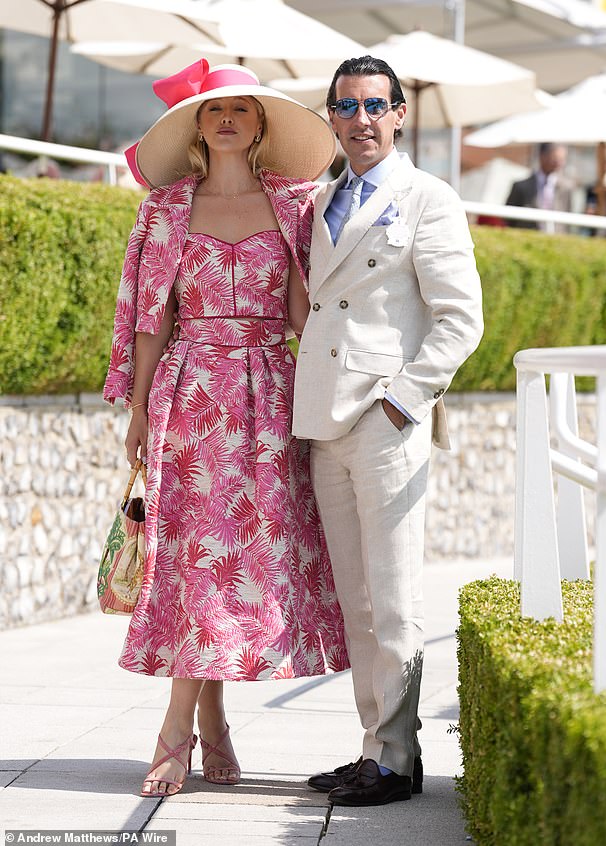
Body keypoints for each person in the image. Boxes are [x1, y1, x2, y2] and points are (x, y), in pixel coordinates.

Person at [103, 60, 348, 797]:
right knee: (194, 562)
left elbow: (311, 316)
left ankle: (205, 720)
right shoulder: (164, 209)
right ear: (199, 127)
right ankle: (181, 726)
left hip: (273, 400)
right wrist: (141, 412)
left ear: (262, 123)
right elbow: (152, 321)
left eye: (244, 108)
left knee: (246, 564)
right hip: (191, 397)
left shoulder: (297, 207)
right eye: (216, 110)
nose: (230, 119)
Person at [292, 55, 484, 807]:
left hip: (385, 415)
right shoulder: (319, 199)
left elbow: (460, 318)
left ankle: (399, 761)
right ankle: (375, 749)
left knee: (397, 598)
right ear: (332, 118)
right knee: (358, 602)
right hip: (323, 420)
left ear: (400, 114)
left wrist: (405, 400)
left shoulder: (428, 198)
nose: (362, 119)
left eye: (376, 104)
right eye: (347, 107)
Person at [506, 142, 573, 231]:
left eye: (562, 159)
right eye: (556, 158)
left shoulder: (566, 188)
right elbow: (508, 219)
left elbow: (567, 221)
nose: (559, 163)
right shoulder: (521, 187)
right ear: (542, 156)